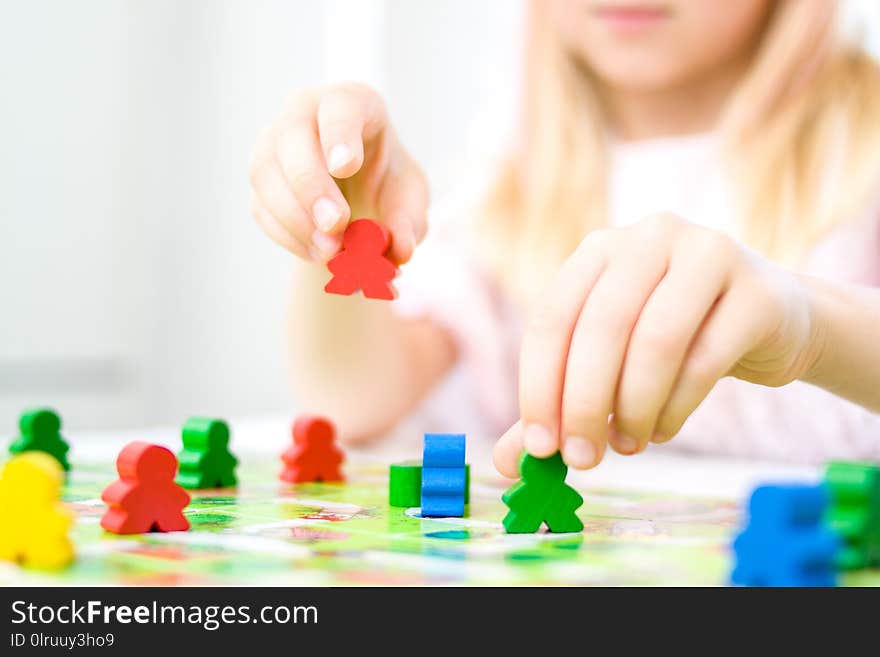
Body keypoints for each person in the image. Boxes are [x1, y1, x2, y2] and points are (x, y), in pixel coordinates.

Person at [248, 0, 880, 476]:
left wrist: (811, 330)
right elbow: (358, 399)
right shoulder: (507, 191)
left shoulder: (863, 160)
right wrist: (339, 220)